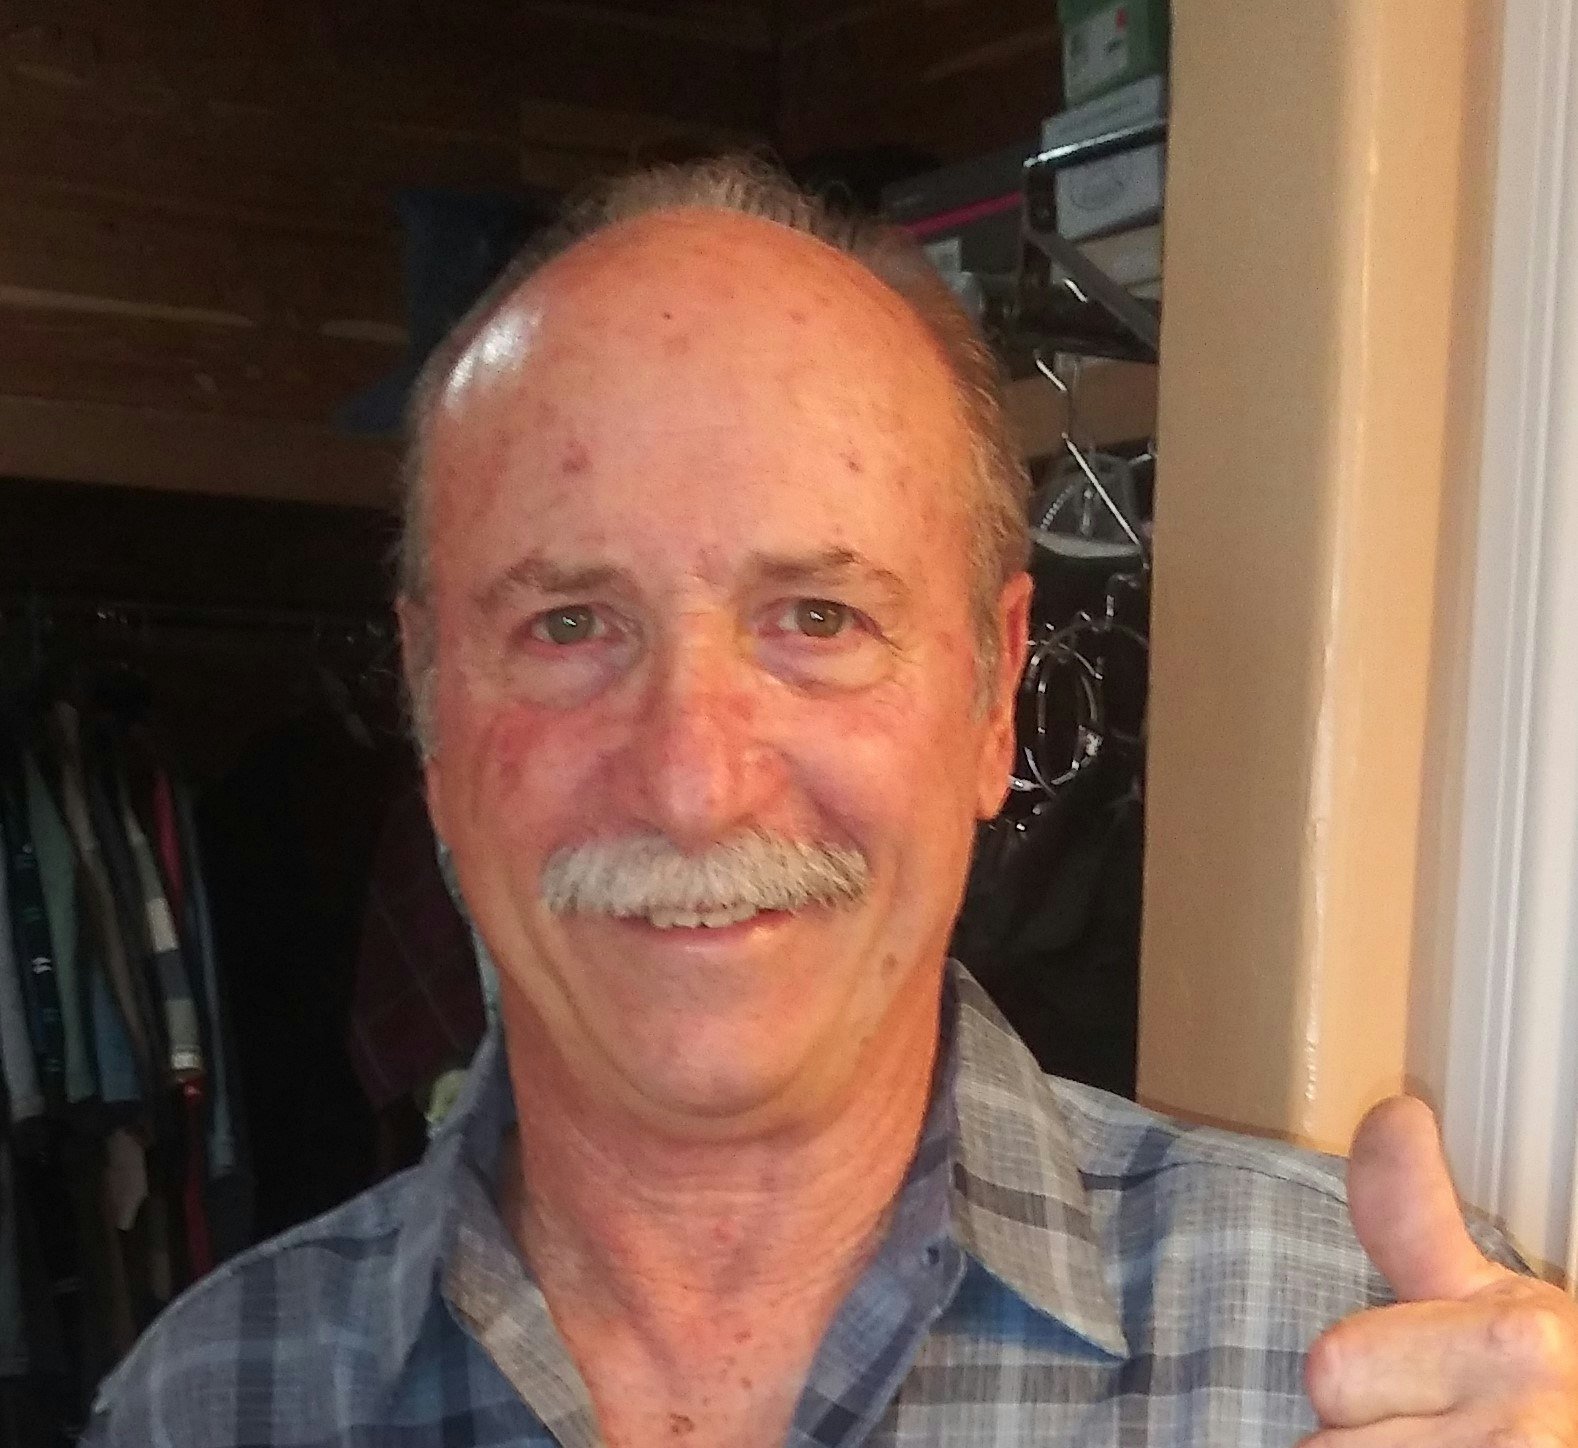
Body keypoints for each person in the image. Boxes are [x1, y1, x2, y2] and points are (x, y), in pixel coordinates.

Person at [84, 159, 1578, 1447]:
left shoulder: (1371, 1355)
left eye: (816, 618)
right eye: (568, 625)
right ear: (429, 705)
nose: (692, 783)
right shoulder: (209, 1403)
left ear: (992, 696)